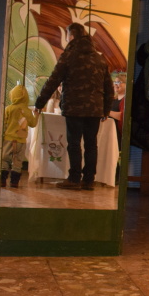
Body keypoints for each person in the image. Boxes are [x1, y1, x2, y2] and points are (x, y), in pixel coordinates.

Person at [34, 23, 113, 190]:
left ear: (71, 36)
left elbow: (53, 80)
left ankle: (74, 178)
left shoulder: (69, 55)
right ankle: (89, 180)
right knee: (91, 144)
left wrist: (39, 103)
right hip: (95, 109)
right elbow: (109, 87)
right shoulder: (99, 58)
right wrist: (106, 109)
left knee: (74, 143)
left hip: (74, 107)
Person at [0, 84, 37, 188]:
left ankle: (2, 181)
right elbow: (33, 124)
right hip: (21, 141)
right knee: (18, 161)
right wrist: (36, 115)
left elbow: (3, 123)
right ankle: (14, 182)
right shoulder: (27, 111)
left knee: (4, 159)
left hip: (8, 139)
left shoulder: (8, 109)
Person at [108, 71, 126, 148]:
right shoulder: (112, 100)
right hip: (110, 135)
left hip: (120, 137)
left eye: (118, 82)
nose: (115, 84)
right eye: (114, 82)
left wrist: (106, 112)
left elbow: (122, 116)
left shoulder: (126, 101)